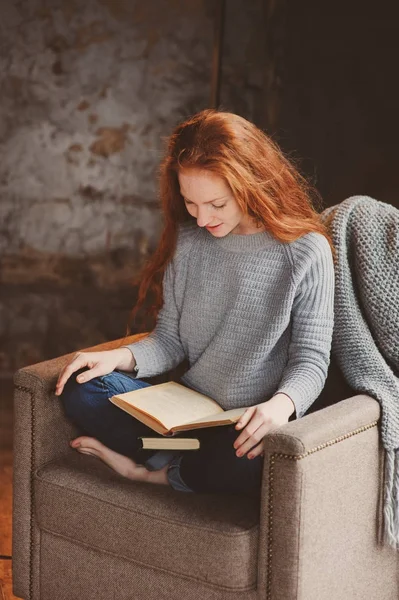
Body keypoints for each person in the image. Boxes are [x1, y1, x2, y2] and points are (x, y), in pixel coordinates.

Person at [55, 109, 335, 496]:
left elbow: (312, 360)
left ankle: (154, 472)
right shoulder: (189, 243)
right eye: (191, 203)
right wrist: (119, 359)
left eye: (216, 204)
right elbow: (170, 340)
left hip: (244, 424)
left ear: (250, 183)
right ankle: (175, 461)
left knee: (249, 459)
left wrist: (279, 407)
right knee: (82, 388)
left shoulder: (306, 252)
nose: (202, 219)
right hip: (184, 416)